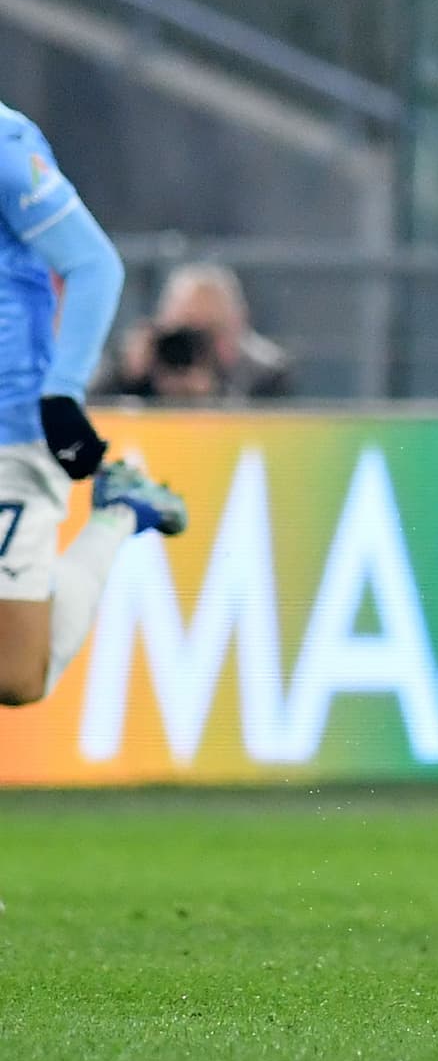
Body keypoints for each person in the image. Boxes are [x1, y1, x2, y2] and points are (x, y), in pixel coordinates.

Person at [0, 101, 188, 707]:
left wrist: (63, 392)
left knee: (15, 678)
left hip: (12, 427)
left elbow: (94, 265)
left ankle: (121, 513)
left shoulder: (7, 144)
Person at [101, 262, 294, 401]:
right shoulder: (140, 362)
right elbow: (86, 418)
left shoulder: (265, 374)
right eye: (186, 328)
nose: (196, 344)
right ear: (162, 322)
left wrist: (215, 397)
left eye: (209, 330)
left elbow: (274, 434)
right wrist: (126, 377)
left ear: (238, 326)